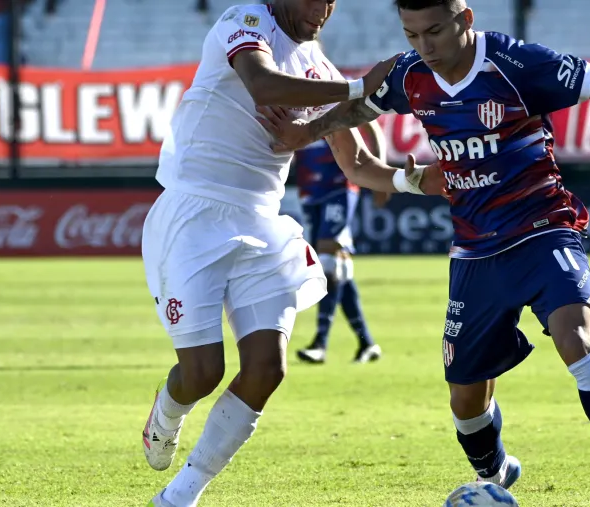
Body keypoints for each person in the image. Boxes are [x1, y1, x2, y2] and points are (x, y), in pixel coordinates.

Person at [256, 1, 590, 505]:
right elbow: (356, 113)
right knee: (466, 402)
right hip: (474, 251)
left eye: (434, 32)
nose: (424, 47)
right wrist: (303, 133)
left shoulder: (515, 63)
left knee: (575, 339)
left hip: (542, 228)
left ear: (464, 20)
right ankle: (494, 469)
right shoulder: (410, 75)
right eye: (411, 35)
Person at [139, 1, 442, 506]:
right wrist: (358, 87)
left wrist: (413, 182)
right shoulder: (244, 21)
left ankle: (180, 496)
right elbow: (262, 83)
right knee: (202, 374)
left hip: (262, 222)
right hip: (194, 212)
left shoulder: (317, 66)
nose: (322, 9)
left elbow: (359, 163)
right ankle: (167, 414)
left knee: (268, 368)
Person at [293, 120, 388, 364]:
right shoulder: (287, 92)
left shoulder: (331, 85)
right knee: (336, 268)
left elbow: (371, 126)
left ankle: (320, 344)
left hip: (338, 185)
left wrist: (380, 171)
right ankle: (367, 343)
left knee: (327, 260)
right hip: (309, 187)